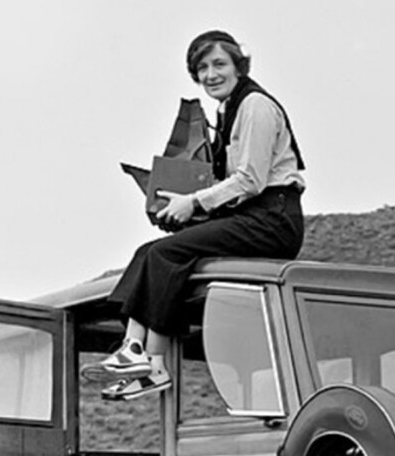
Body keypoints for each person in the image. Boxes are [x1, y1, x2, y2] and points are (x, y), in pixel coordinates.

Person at [88, 30, 306, 401]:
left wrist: (193, 203)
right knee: (150, 252)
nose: (210, 74)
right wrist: (183, 202)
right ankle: (140, 355)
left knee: (165, 253)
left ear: (238, 65)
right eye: (201, 68)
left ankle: (147, 360)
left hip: (273, 218)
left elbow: (250, 180)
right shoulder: (229, 110)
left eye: (219, 64)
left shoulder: (254, 106)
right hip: (251, 214)